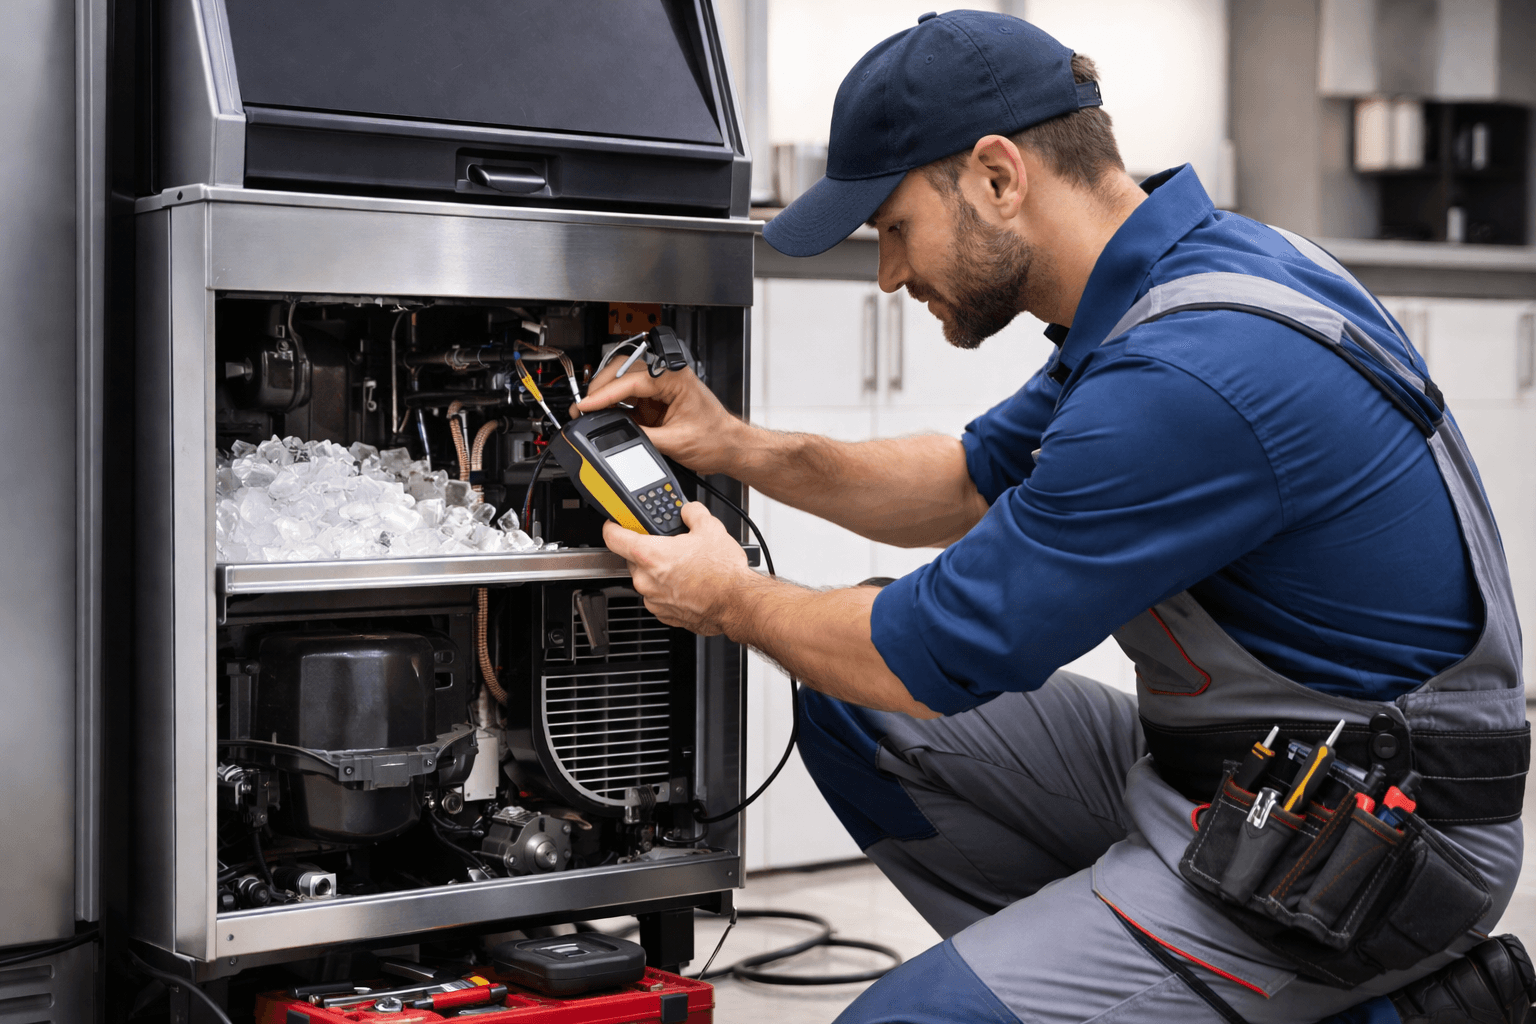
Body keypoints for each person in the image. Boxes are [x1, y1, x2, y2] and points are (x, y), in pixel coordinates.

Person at [576, 11, 1533, 1024]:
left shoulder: (1188, 373)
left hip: (1363, 847)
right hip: (1236, 775)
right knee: (853, 709)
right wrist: (738, 445)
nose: (890, 274)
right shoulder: (1171, 286)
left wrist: (730, 600)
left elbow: (927, 653)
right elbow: (960, 482)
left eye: (894, 227)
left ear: (998, 176)